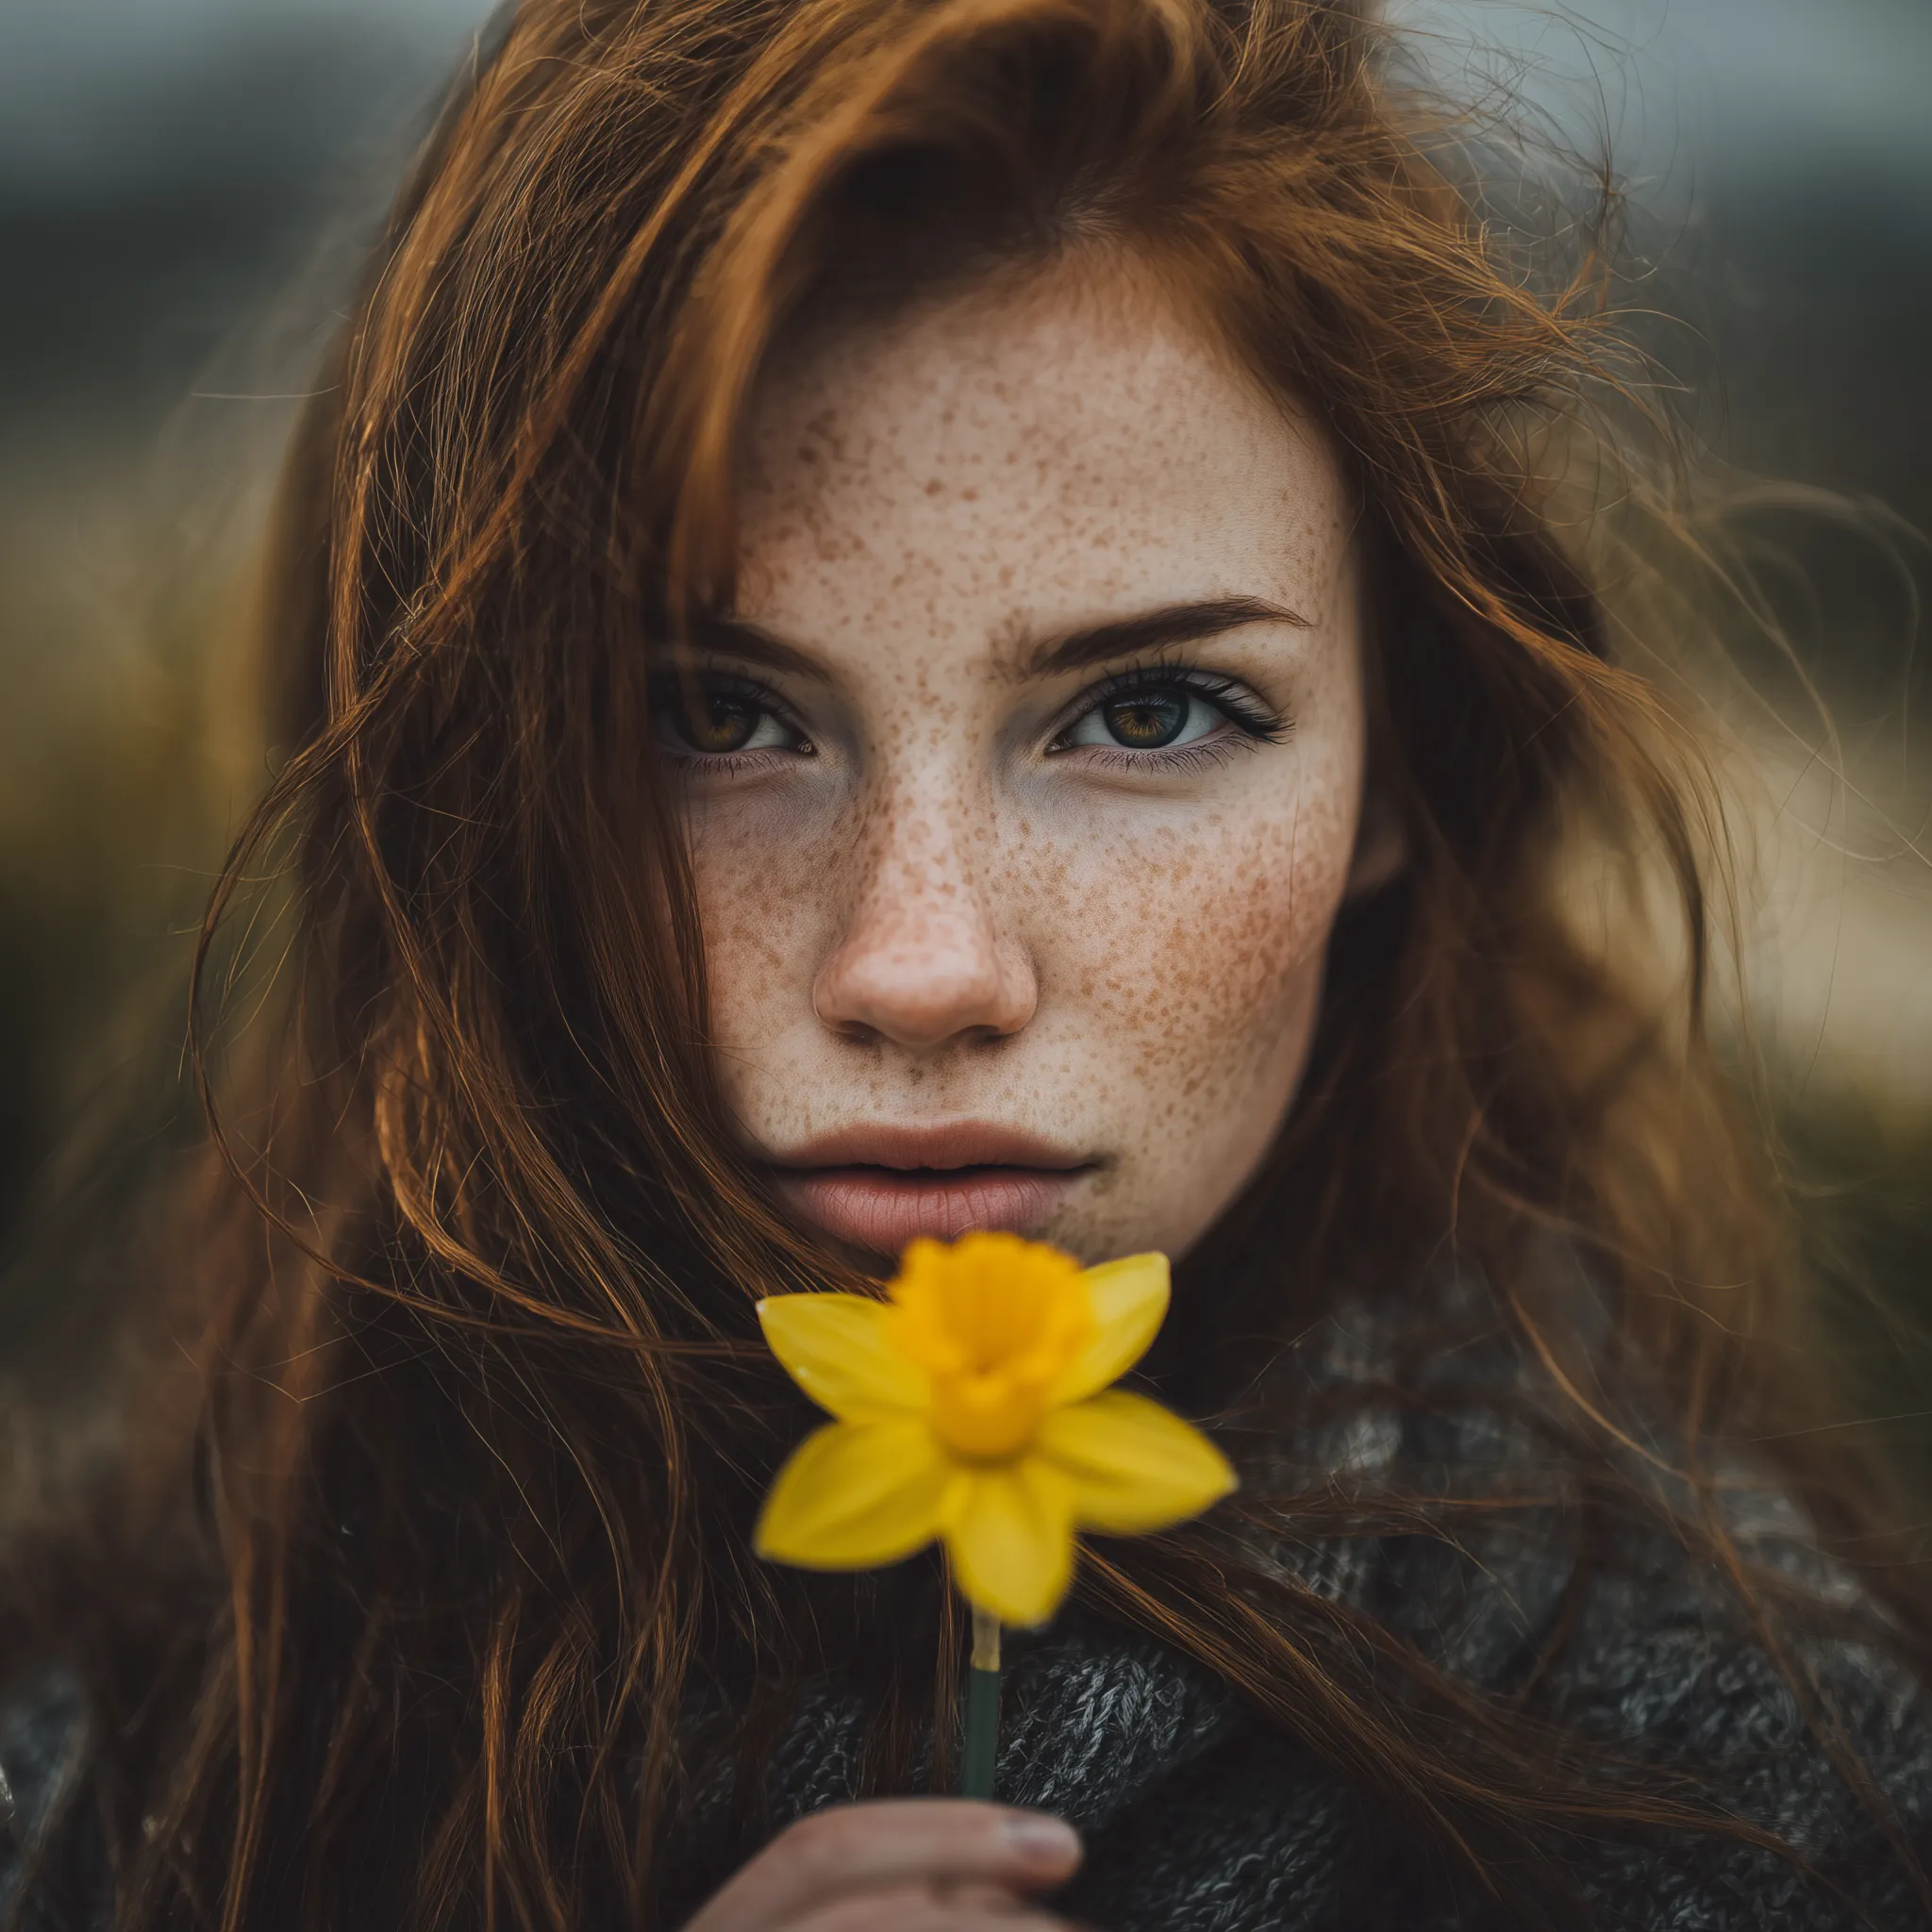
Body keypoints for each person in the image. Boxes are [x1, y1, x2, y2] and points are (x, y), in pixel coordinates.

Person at [3, 0, 1929, 1925]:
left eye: (1154, 711)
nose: (920, 967)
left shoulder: (1759, 1809)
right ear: (466, 774)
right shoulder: (107, 1742)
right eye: (712, 717)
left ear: (1398, 768)